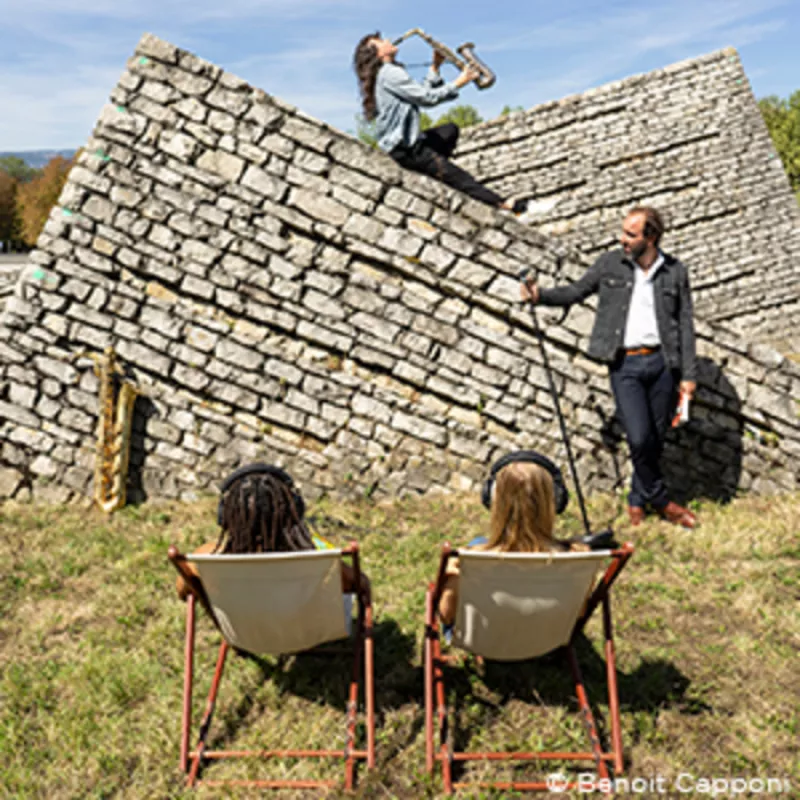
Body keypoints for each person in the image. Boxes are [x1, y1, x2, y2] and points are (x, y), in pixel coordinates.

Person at [520, 206, 698, 529]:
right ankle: (661, 500)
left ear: (651, 237)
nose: (623, 239)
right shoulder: (609, 264)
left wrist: (688, 376)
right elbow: (575, 292)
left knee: (656, 439)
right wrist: (540, 296)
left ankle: (636, 498)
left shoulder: (675, 272)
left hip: (662, 364)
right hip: (625, 364)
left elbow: (685, 324)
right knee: (640, 437)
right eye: (624, 232)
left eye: (631, 234)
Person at [352, 32, 527, 213]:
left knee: (449, 130)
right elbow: (427, 98)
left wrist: (435, 67)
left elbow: (422, 93)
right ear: (378, 54)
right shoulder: (390, 73)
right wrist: (461, 81)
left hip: (408, 144)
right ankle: (504, 203)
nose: (388, 40)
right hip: (406, 149)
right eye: (381, 42)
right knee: (459, 177)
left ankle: (436, 169)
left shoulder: (389, 72)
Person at [175, 466, 369, 601]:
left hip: (246, 633)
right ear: (294, 511)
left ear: (225, 517)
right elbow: (361, 586)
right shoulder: (320, 561)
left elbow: (183, 593)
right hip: (311, 632)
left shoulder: (204, 560)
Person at [439, 460, 586, 625]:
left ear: (496, 501)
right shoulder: (579, 558)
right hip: (547, 641)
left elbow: (446, 615)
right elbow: (579, 613)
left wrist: (450, 576)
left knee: (479, 541)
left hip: (488, 641)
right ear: (551, 501)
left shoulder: (468, 559)